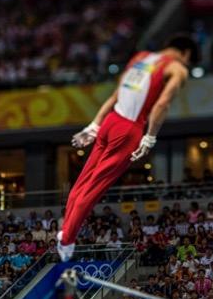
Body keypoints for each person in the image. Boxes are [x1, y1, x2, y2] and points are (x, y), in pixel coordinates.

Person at [58, 34, 197, 261]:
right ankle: (66, 240)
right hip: (128, 129)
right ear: (186, 54)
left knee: (82, 183)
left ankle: (65, 231)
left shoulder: (140, 58)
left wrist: (94, 126)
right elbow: (162, 104)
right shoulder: (178, 69)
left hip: (111, 121)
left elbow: (116, 95)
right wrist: (150, 137)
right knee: (94, 189)